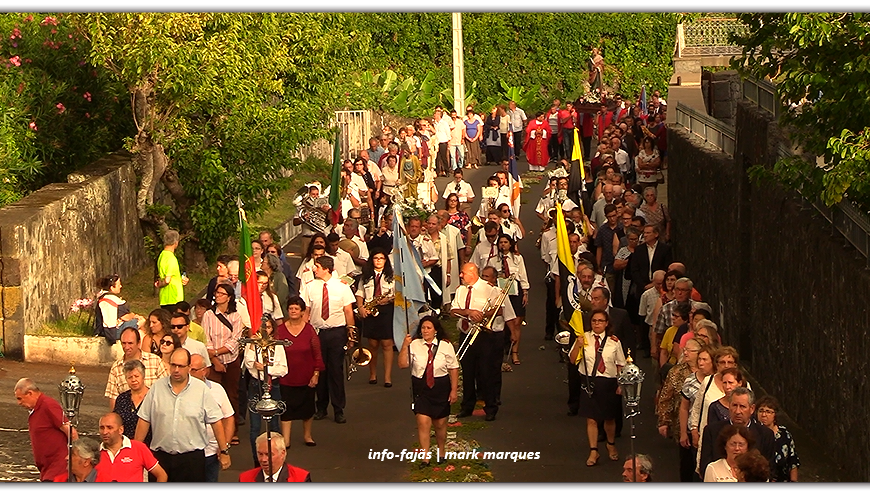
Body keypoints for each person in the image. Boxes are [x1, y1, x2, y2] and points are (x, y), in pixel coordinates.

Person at [135, 348, 230, 482]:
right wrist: (135, 451)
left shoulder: (201, 390)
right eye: (173, 365)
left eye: (181, 366)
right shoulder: (157, 388)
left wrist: (224, 451)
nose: (176, 370)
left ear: (189, 367)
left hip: (191, 460)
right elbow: (144, 420)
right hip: (161, 459)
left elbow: (216, 422)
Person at [398, 315, 459, 469]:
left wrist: (453, 390)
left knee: (440, 425)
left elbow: (453, 368)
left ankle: (441, 452)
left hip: (441, 387)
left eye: (428, 328)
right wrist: (405, 346)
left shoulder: (446, 346)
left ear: (435, 330)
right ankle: (425, 458)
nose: (425, 331)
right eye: (423, 328)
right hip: (421, 388)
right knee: (423, 422)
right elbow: (402, 365)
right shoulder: (414, 345)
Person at [568, 309, 626, 466]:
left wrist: (621, 384)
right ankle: (593, 451)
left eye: (600, 321)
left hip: (608, 382)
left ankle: (611, 444)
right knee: (591, 419)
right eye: (594, 321)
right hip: (589, 382)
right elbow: (573, 360)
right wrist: (577, 346)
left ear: (607, 323)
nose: (597, 324)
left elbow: (621, 364)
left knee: (609, 418)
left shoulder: (614, 341)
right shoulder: (583, 338)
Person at [301, 256, 355, 424]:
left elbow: (348, 312)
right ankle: (321, 407)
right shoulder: (310, 287)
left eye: (316, 266)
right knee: (319, 370)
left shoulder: (342, 287)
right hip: (317, 332)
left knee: (336, 371)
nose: (314, 269)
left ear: (325, 268)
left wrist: (351, 335)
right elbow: (306, 311)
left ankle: (339, 409)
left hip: (336, 332)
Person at [450, 263, 503, 421]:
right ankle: (467, 406)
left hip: (484, 335)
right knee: (467, 372)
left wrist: (483, 315)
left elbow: (500, 308)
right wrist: (468, 312)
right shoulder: (461, 290)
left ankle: (490, 407)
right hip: (465, 333)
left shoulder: (489, 289)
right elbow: (453, 311)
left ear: (472, 273)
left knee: (486, 372)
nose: (461, 276)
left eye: (463, 273)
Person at [275, 296, 323, 448]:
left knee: (308, 409)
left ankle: (307, 436)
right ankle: (286, 440)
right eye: (291, 308)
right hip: (286, 378)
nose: (293, 311)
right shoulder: (280, 330)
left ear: (303, 312)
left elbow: (317, 353)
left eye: (297, 309)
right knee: (286, 409)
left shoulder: (309, 330)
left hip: (306, 377)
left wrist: (316, 374)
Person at [699, 387, 776, 478]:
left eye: (742, 406)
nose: (737, 411)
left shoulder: (766, 435)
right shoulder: (712, 431)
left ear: (752, 409)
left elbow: (769, 469)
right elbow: (705, 467)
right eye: (734, 405)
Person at [202, 281, 245, 441]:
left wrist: (218, 352)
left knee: (232, 395)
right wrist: (214, 359)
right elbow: (206, 339)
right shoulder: (208, 315)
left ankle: (233, 431)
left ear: (229, 297)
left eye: (221, 294)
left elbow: (235, 340)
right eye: (216, 293)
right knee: (213, 396)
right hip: (213, 361)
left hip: (231, 360)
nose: (218, 296)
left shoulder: (235, 316)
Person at [244, 315, 288, 464]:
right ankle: (257, 461)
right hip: (256, 385)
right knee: (255, 427)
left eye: (268, 327)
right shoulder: (253, 344)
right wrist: (251, 347)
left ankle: (277, 459)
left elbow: (283, 369)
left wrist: (265, 368)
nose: (265, 330)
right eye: (263, 327)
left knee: (275, 425)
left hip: (272, 385)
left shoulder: (278, 345)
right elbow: (249, 363)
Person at [15, 378, 77, 481]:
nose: (19, 403)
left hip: (58, 467)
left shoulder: (48, 405)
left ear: (30, 393)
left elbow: (71, 432)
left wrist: (74, 458)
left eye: (20, 398)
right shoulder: (37, 409)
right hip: (47, 468)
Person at [189, 353, 235, 481]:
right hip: (188, 452)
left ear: (204, 371)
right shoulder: (181, 391)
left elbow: (229, 418)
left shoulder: (217, 390)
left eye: (193, 370)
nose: (189, 373)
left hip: (211, 452)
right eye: (188, 368)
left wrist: (224, 446)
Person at [485, 234, 529, 365]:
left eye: (505, 242)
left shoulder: (517, 258)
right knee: (503, 322)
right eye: (501, 242)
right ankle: (501, 350)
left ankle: (515, 353)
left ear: (510, 244)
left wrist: (525, 292)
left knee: (516, 323)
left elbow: (523, 275)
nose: (503, 245)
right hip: (500, 293)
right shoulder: (493, 260)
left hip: (516, 293)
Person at [355, 249, 396, 386]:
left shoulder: (392, 276)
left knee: (387, 344)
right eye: (376, 258)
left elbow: (399, 294)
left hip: (386, 311)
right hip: (369, 310)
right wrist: (361, 308)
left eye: (381, 258)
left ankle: (388, 377)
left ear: (386, 260)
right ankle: (372, 374)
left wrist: (389, 300)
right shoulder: (365, 276)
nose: (378, 260)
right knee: (372, 344)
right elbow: (360, 293)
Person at [105, 327, 168, 410]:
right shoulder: (116, 368)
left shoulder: (155, 361)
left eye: (130, 343)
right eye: (124, 343)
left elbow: (166, 389)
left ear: (139, 343)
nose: (126, 347)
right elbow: (114, 400)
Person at [679, 343, 716, 481]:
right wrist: (683, 433)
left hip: (710, 431)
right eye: (699, 359)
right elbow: (684, 407)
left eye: (705, 360)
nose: (700, 363)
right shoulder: (690, 380)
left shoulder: (719, 382)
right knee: (689, 470)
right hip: (693, 430)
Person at [96, 412, 168, 482]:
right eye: (102, 428)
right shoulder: (94, 452)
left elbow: (161, 475)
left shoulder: (139, 448)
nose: (105, 432)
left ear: (121, 430)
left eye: (109, 428)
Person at [755, 395, 800, 482]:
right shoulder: (753, 433)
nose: (764, 415)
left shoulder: (784, 435)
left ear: (775, 414)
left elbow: (793, 461)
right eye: (761, 411)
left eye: (768, 412)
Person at [95, 273, 146, 344]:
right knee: (141, 321)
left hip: (104, 330)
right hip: (112, 332)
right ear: (112, 287)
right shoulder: (112, 299)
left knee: (139, 331)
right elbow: (126, 317)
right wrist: (134, 315)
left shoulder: (103, 297)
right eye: (119, 285)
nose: (121, 286)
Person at [239, 433, 312, 482]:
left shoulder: (301, 478)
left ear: (282, 453)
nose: (263, 459)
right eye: (260, 454)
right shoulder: (245, 479)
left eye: (269, 455)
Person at [112, 359, 152, 445]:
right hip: (125, 446)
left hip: (149, 446)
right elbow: (116, 422)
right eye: (130, 377)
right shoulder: (122, 399)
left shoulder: (153, 397)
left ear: (143, 376)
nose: (133, 380)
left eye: (136, 376)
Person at [154, 229, 188, 309]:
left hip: (164, 298)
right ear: (176, 243)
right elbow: (167, 280)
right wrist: (160, 284)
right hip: (174, 298)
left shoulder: (162, 255)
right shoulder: (171, 259)